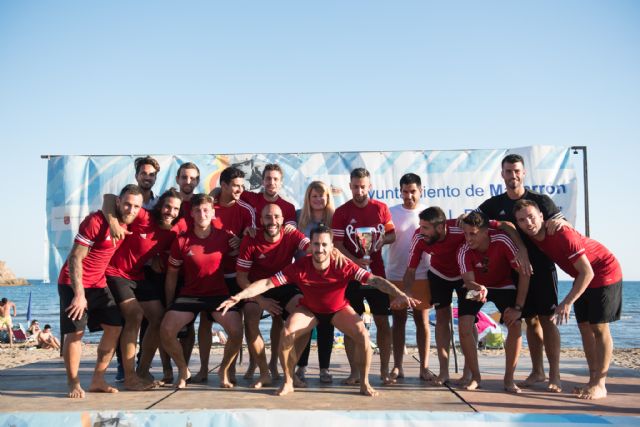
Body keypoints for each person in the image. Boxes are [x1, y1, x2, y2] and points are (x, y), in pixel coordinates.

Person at [218, 225, 421, 397]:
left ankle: (364, 382)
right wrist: (240, 296)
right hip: (310, 310)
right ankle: (288, 381)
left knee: (363, 335)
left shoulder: (344, 264)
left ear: (332, 246)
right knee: (286, 332)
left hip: (338, 309)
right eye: (316, 244)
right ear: (310, 246)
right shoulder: (300, 266)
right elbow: (267, 283)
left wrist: (399, 294)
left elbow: (375, 280)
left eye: (324, 245)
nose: (320, 249)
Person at [513, 199, 623, 400]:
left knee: (599, 328)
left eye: (531, 217)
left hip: (604, 271)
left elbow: (588, 272)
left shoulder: (561, 233)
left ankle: (600, 384)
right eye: (522, 220)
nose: (528, 222)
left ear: (541, 216)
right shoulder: (530, 235)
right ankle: (592, 380)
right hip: (581, 276)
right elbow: (501, 225)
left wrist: (567, 302)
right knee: (584, 327)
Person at [477, 153, 565, 392]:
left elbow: (562, 223)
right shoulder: (493, 205)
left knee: (547, 319)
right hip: (514, 272)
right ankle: (537, 371)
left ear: (524, 173)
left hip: (543, 269)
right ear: (502, 174)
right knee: (530, 320)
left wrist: (560, 223)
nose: (513, 175)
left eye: (517, 171)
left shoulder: (540, 201)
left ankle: (555, 375)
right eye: (508, 171)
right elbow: (472, 222)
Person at [57, 184, 143, 398]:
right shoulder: (95, 221)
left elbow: (110, 198)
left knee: (115, 327)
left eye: (136, 206)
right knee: (75, 333)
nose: (131, 210)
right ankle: (73, 382)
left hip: (98, 283)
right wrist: (79, 295)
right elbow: (75, 257)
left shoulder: (126, 222)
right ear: (118, 203)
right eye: (127, 204)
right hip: (72, 283)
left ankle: (98, 380)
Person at [160, 193, 243, 389]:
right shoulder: (182, 240)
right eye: (198, 210)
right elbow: (171, 275)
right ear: (192, 214)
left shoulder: (225, 237)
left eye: (206, 210)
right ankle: (183, 370)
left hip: (218, 294)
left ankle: (223, 370)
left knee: (237, 330)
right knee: (165, 330)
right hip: (190, 295)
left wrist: (239, 243)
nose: (202, 214)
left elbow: (243, 256)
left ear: (213, 213)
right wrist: (170, 304)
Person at [103, 188, 182, 390]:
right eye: (167, 207)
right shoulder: (144, 216)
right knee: (135, 316)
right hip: (115, 272)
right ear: (160, 206)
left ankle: (142, 371)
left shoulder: (173, 232)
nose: (171, 212)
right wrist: (113, 223)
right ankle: (129, 377)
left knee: (159, 317)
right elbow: (109, 198)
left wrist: (156, 256)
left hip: (137, 276)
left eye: (176, 209)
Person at [332, 168, 396, 384]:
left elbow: (392, 235)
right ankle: (354, 372)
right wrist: (355, 262)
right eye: (355, 187)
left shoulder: (381, 208)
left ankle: (384, 371)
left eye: (363, 187)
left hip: (376, 275)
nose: (359, 191)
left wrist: (382, 240)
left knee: (382, 323)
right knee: (351, 325)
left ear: (370, 186)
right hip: (350, 277)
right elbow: (337, 244)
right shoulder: (341, 212)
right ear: (350, 186)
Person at [236, 203, 310, 388]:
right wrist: (261, 300)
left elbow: (312, 247)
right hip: (257, 287)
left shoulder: (291, 234)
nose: (273, 221)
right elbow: (241, 278)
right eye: (268, 217)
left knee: (306, 317)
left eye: (276, 217)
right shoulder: (251, 239)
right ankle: (264, 373)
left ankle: (289, 371)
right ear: (261, 220)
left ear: (283, 220)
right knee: (250, 319)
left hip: (283, 284)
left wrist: (331, 252)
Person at [191, 166, 254, 384]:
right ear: (224, 185)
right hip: (212, 275)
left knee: (236, 323)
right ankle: (203, 369)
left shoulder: (246, 209)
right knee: (205, 322)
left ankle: (229, 370)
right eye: (235, 186)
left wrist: (241, 241)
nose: (240, 190)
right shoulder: (209, 206)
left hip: (235, 275)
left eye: (242, 186)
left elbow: (252, 238)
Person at [457, 211, 530, 394]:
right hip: (476, 287)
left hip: (503, 286)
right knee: (464, 325)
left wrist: (518, 307)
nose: (468, 238)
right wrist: (479, 288)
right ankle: (475, 377)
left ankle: (509, 379)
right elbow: (468, 282)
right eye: (465, 233)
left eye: (473, 234)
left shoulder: (502, 240)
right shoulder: (463, 250)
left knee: (515, 324)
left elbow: (524, 273)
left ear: (485, 232)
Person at [386, 173, 432, 381]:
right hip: (395, 274)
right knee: (398, 320)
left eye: (413, 191)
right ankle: (397, 366)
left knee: (422, 321)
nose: (409, 196)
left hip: (422, 274)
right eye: (405, 191)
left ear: (420, 190)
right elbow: (383, 237)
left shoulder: (428, 213)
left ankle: (424, 367)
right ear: (400, 191)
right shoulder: (391, 212)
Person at [295, 180, 336, 384]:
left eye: (322, 195)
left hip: (328, 280)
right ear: (308, 198)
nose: (319, 199)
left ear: (328, 198)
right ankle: (301, 367)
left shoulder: (335, 218)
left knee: (326, 324)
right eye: (314, 196)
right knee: (305, 324)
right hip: (303, 279)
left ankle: (324, 369)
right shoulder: (297, 216)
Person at [240, 163, 297, 227]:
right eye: (268, 178)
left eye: (275, 179)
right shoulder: (249, 198)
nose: (272, 182)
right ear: (263, 181)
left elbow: (291, 230)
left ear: (281, 183)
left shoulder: (289, 208)